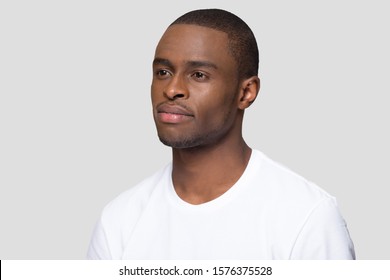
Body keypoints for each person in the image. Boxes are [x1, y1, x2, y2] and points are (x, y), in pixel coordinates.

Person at [87, 8, 355, 260]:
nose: (172, 89)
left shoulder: (306, 217)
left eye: (199, 74)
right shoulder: (119, 221)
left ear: (246, 92)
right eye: (163, 72)